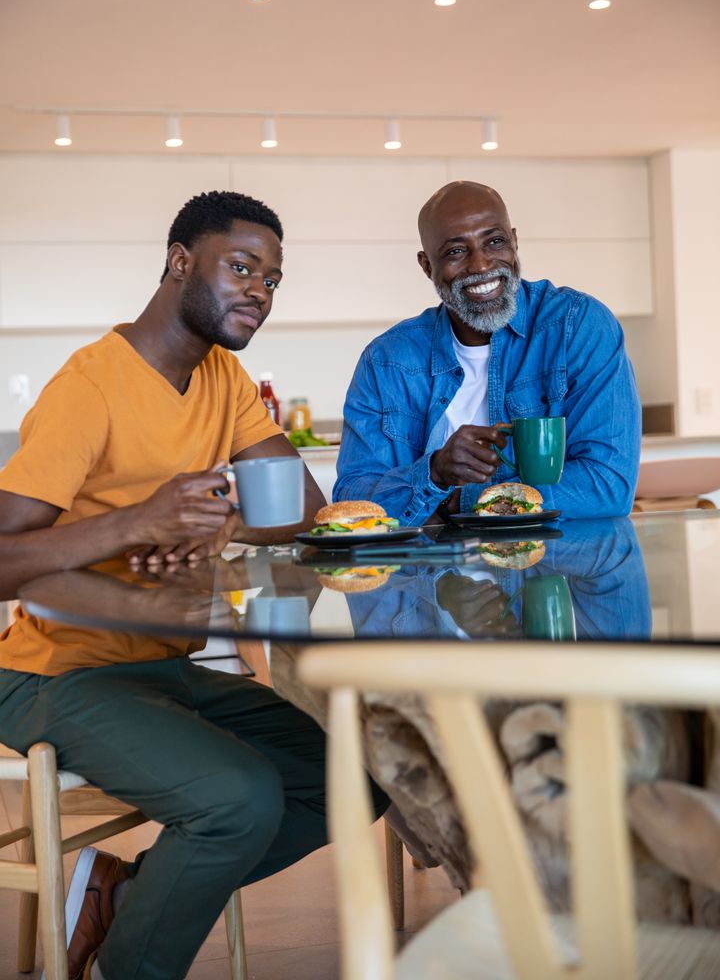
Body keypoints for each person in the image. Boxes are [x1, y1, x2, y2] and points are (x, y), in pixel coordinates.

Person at [0, 190, 386, 980]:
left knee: (356, 777)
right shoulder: (90, 387)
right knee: (237, 799)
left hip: (161, 669)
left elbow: (304, 512)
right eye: (241, 267)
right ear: (180, 262)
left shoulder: (224, 379)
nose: (259, 292)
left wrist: (224, 523)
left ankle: (124, 894)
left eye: (273, 280)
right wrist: (137, 521)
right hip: (52, 673)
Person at [334, 180, 641, 521]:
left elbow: (607, 486)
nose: (480, 266)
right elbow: (352, 499)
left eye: (494, 242)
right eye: (455, 251)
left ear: (514, 241)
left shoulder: (577, 326)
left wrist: (463, 502)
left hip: (555, 568)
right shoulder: (387, 361)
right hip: (425, 571)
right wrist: (434, 473)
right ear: (426, 266)